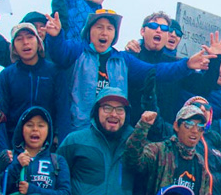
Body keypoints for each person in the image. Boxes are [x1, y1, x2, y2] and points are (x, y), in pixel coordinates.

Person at [46, 10, 210, 136]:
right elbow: (59, 54)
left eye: (110, 28)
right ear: (89, 31)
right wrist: (55, 36)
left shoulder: (124, 60)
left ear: (114, 34)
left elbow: (155, 71)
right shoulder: (77, 52)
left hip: (115, 134)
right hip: (79, 130)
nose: (104, 32)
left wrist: (186, 64)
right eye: (99, 27)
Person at [57, 88, 143, 195]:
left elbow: (142, 186)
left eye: (120, 109)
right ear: (96, 110)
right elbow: (57, 177)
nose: (114, 114)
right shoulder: (74, 140)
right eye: (107, 108)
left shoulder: (135, 146)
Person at [125, 103, 216, 195]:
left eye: (200, 127)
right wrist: (142, 127)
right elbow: (132, 160)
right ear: (176, 126)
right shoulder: (159, 150)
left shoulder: (199, 161)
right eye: (189, 124)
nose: (195, 130)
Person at [3, 107, 73, 195]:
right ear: (21, 129)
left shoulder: (57, 161)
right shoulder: (9, 157)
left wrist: (32, 190)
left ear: (49, 130)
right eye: (29, 125)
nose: (35, 129)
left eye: (41, 125)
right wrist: (16, 166)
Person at [0, 23, 61, 134]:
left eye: (30, 37)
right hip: (15, 143)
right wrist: (4, 149)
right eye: (19, 39)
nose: (25, 42)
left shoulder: (54, 71)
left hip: (48, 142)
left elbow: (63, 110)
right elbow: (0, 114)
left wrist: (60, 142)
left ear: (39, 43)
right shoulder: (6, 75)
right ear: (14, 48)